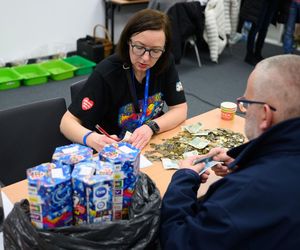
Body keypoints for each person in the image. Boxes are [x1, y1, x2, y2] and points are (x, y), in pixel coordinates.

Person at [160, 54, 300, 249]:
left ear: (265, 115)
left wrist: (182, 180)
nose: (244, 110)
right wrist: (242, 159)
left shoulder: (241, 194)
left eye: (247, 103)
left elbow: (178, 242)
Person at [60, 9, 187, 152]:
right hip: (115, 150)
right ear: (128, 41)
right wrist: (92, 138)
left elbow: (180, 109)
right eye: (139, 47)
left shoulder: (164, 62)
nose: (145, 58)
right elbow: (66, 123)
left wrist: (151, 127)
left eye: (155, 50)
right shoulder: (107, 72)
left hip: (150, 144)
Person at [240, 0, 280, 65]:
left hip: (272, 2)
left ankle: (258, 54)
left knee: (264, 29)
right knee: (256, 27)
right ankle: (249, 55)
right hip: (260, 2)